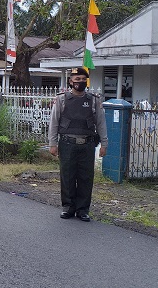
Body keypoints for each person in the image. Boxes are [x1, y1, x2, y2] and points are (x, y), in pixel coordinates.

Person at [48, 67, 108, 222]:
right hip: (67, 143)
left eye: (83, 79)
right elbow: (54, 123)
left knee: (86, 178)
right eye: (77, 79)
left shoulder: (94, 100)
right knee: (67, 176)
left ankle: (82, 209)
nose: (80, 82)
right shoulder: (62, 99)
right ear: (70, 81)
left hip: (87, 145)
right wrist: (52, 143)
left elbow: (101, 123)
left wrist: (104, 144)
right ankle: (68, 207)